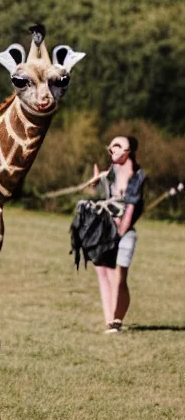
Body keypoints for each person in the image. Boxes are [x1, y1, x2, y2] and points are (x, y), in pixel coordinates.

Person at [92, 136, 145, 333]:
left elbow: (131, 206)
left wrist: (120, 230)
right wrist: (96, 184)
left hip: (125, 234)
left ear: (129, 151)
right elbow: (100, 195)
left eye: (119, 146)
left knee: (119, 276)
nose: (113, 149)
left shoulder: (137, 176)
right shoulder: (110, 174)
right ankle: (111, 320)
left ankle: (117, 320)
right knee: (103, 273)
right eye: (112, 145)